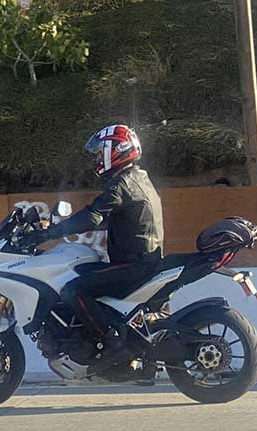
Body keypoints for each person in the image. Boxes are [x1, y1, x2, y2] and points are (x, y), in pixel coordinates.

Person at [31, 124, 164, 368]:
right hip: (141, 261)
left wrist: (48, 234)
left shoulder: (122, 184)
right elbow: (119, 218)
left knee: (73, 290)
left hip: (134, 265)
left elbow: (93, 216)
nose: (95, 158)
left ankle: (114, 345)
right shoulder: (138, 178)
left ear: (116, 150)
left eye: (98, 151)